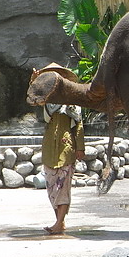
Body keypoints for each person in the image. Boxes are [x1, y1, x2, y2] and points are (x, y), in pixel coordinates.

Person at [41, 101, 85, 235]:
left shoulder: (72, 104)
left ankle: (59, 223)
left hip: (66, 148)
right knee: (52, 189)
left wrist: (80, 147)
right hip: (49, 149)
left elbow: (78, 125)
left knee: (63, 188)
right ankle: (59, 222)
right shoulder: (47, 104)